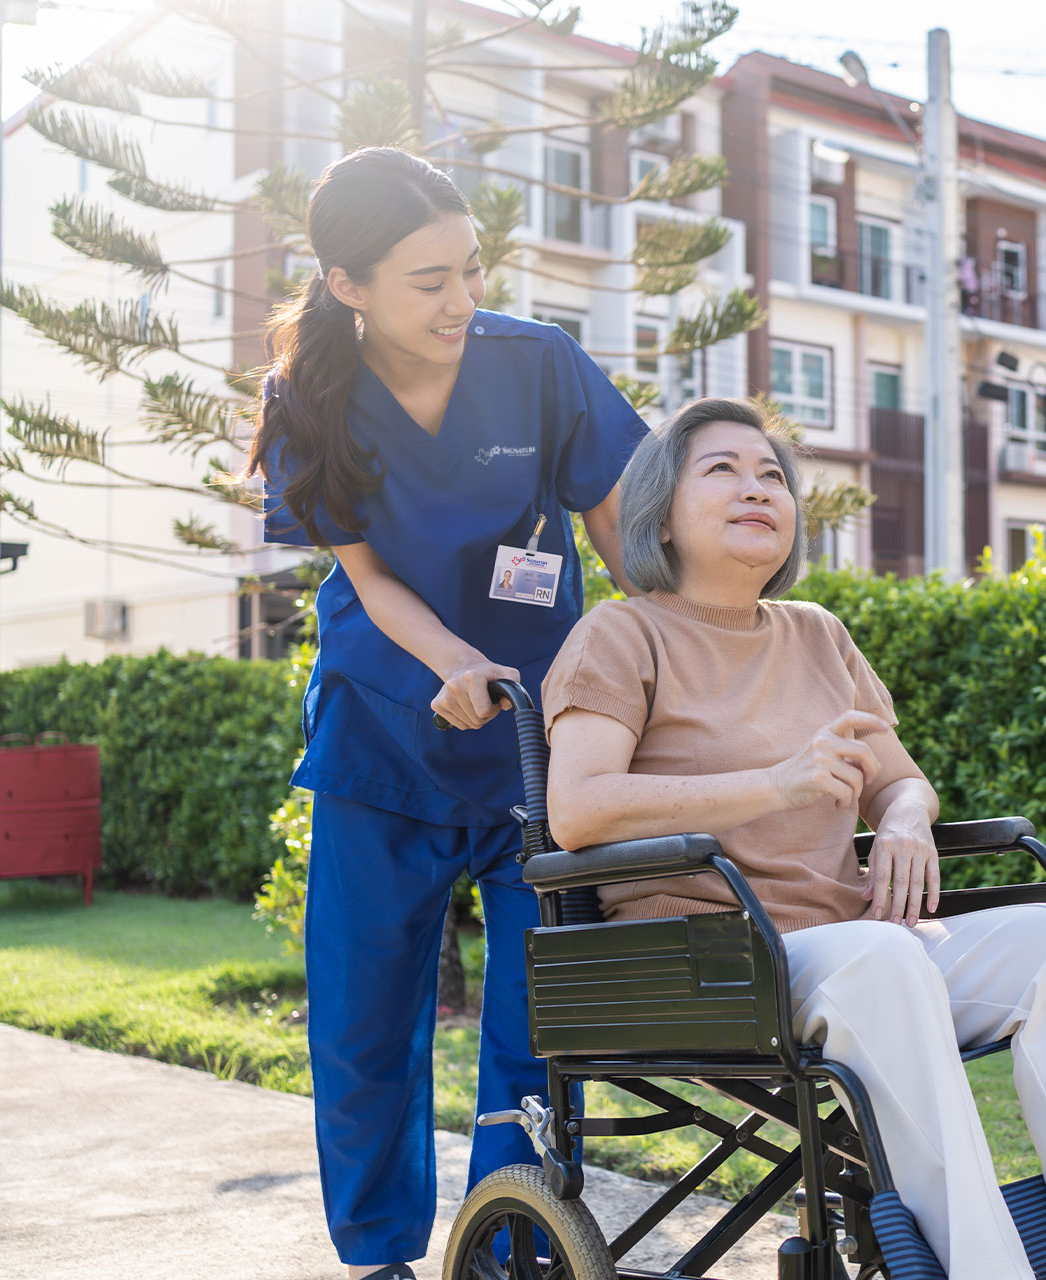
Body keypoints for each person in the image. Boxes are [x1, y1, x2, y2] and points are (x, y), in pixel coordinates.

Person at [539, 398, 1046, 1280]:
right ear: (658, 513)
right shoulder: (621, 634)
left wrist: (902, 819)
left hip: (850, 947)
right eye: (721, 470)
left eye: (774, 477)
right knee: (886, 962)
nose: (758, 489)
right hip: (710, 958)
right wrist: (774, 786)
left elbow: (899, 780)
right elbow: (580, 809)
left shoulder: (819, 634)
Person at [245, 147, 645, 1280]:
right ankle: (379, 1256)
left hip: (544, 753)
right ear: (347, 283)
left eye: (472, 268)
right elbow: (369, 580)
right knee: (367, 1028)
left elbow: (627, 541)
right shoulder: (307, 398)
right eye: (429, 280)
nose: (462, 300)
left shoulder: (540, 366)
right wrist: (457, 662)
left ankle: (508, 1247)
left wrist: (673, 661)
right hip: (386, 734)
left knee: (539, 1029)